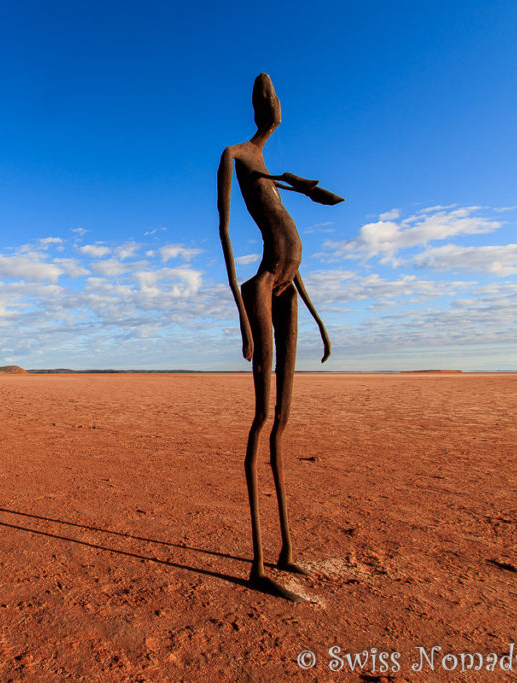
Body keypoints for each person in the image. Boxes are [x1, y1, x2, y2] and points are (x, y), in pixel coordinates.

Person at [217, 73, 341, 601]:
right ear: (257, 107)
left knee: (285, 423)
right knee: (263, 416)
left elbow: (291, 248)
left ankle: (288, 550)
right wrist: (243, 316)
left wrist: (316, 315)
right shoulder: (235, 155)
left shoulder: (268, 165)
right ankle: (259, 562)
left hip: (290, 287)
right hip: (265, 287)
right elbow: (224, 230)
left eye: (277, 101)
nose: (274, 108)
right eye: (268, 101)